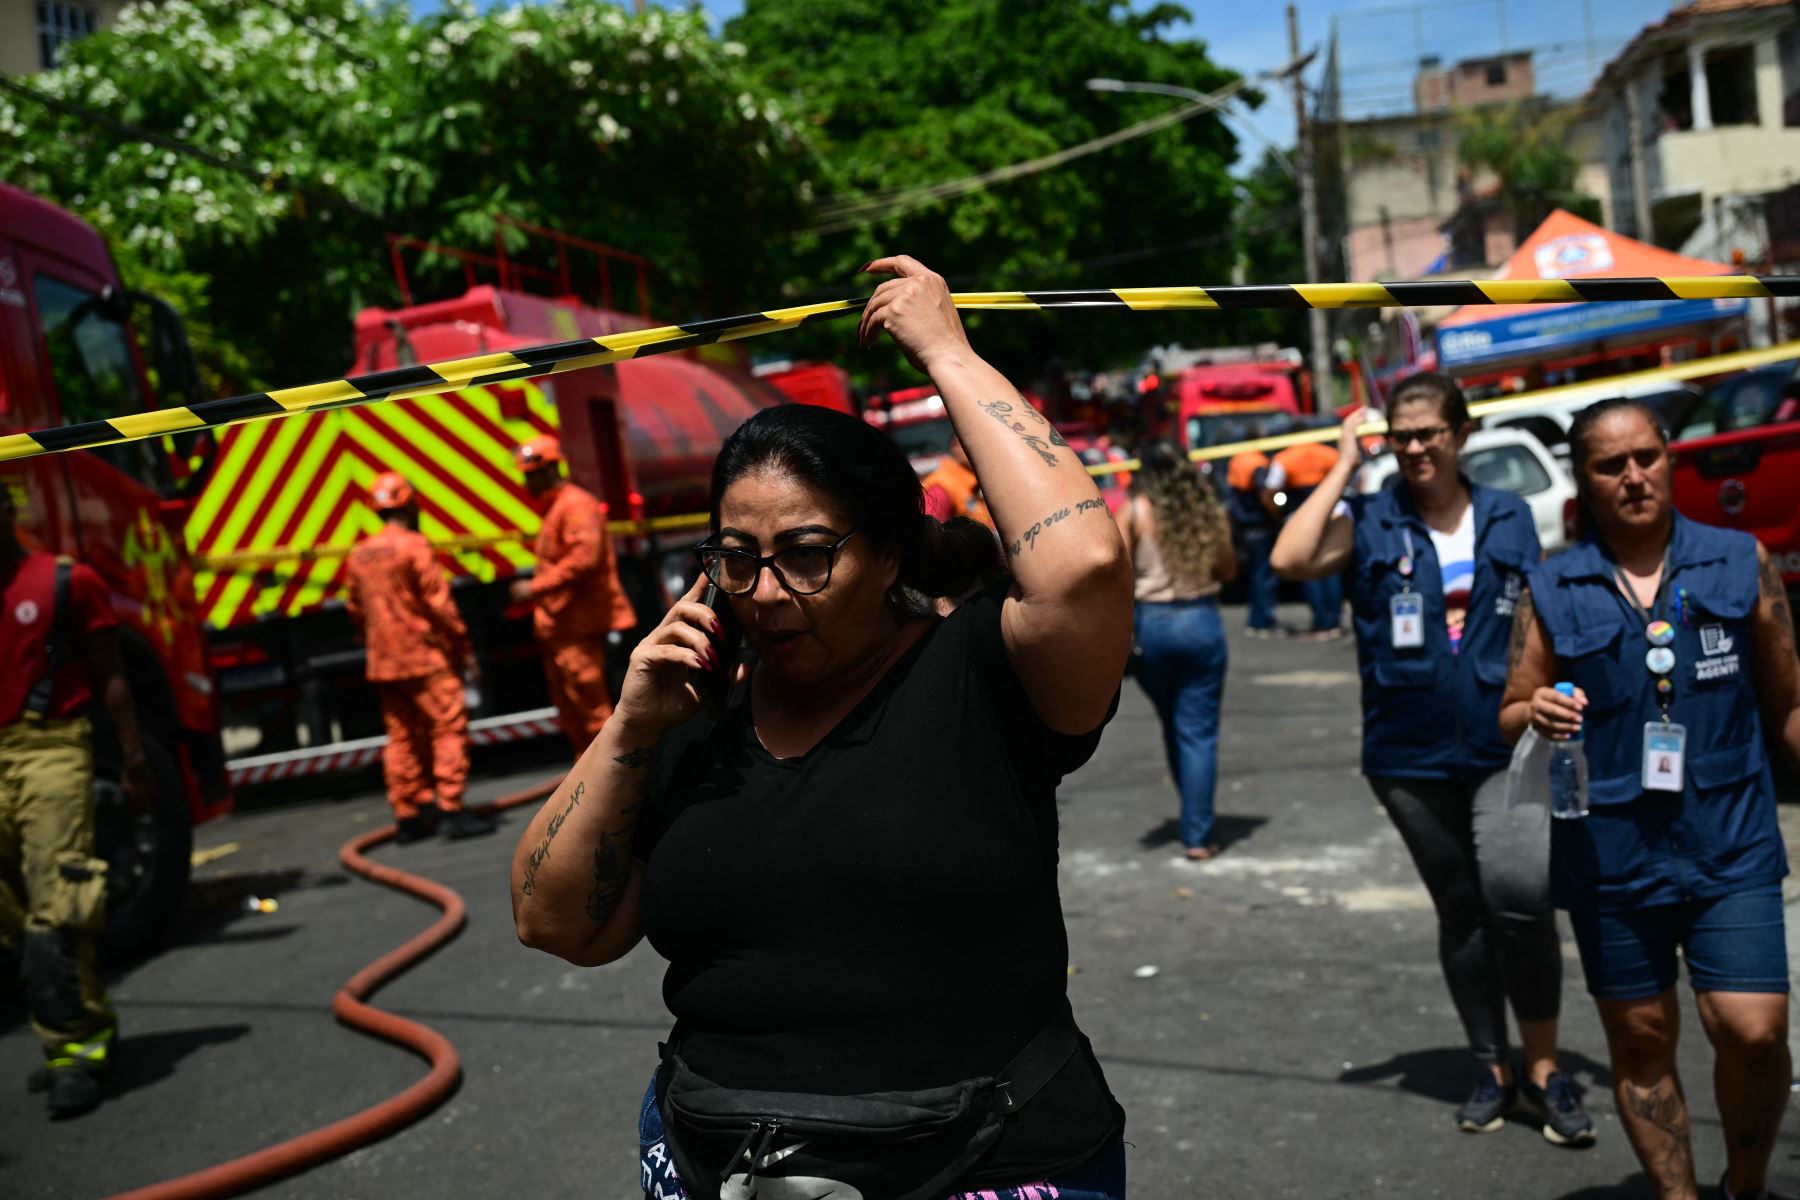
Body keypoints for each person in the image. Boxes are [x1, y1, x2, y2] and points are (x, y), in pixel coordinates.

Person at [510, 256, 1133, 1197]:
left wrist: (945, 350)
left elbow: (1082, 564)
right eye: (736, 558)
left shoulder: (982, 672)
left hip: (982, 1159)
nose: (766, 594)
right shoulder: (689, 713)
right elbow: (553, 922)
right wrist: (632, 724)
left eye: (807, 555)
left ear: (887, 554)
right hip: (719, 1159)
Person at [1270, 373, 1591, 1143]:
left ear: (1461, 433)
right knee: (1461, 911)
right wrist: (1345, 462)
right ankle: (1494, 1068)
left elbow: (1538, 621)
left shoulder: (1509, 515)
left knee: (1517, 897)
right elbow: (1290, 557)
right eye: (1400, 435)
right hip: (1406, 752)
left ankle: (1545, 1069)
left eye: (1428, 433)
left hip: (1503, 741)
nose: (1414, 448)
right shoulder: (1372, 518)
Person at [1501, 397, 1795, 1200]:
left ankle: (1745, 1183)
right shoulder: (1552, 585)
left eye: (1647, 457)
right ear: (1584, 480)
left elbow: (1789, 702)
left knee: (1755, 1029)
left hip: (1729, 837)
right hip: (1610, 853)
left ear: (1669, 457)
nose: (1634, 476)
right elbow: (1509, 709)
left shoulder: (1741, 561)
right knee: (1639, 1039)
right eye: (1610, 465)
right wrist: (1538, 712)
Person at [0, 484, 151, 1118]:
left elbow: (112, 675)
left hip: (51, 748)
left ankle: (76, 1047)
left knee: (55, 908)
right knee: (14, 912)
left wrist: (134, 760)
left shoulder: (66, 583)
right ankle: (78, 1024)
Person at [344, 471, 493, 842]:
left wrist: (373, 640)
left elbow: (355, 609)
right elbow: (440, 605)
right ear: (410, 505)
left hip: (384, 660)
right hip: (424, 657)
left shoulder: (359, 554)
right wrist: (463, 646)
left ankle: (408, 814)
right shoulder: (415, 546)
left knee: (401, 735)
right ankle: (451, 809)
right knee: (447, 728)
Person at [1118, 440, 1236, 860]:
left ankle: (1193, 817)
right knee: (1197, 731)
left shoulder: (1133, 512)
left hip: (1153, 626)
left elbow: (1116, 571)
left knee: (1175, 725)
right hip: (1201, 620)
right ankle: (1198, 833)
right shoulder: (1207, 512)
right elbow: (1229, 569)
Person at [510, 436, 636, 755]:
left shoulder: (575, 505)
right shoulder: (556, 508)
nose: (527, 482)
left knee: (591, 709)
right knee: (573, 711)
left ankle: (609, 779)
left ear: (550, 469)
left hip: (579, 624)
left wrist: (533, 588)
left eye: (530, 474)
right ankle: (587, 778)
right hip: (563, 626)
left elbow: (584, 558)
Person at [1263, 436, 1344, 638]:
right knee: (1331, 567)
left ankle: (1321, 621)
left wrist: (1279, 514)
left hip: (1300, 518)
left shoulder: (1285, 458)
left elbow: (1271, 491)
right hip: (1330, 515)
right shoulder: (1329, 454)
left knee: (1308, 570)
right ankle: (1334, 620)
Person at [1223, 441, 1279, 637]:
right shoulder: (1257, 463)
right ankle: (1264, 621)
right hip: (1259, 526)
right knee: (1264, 576)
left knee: (1255, 575)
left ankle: (1255, 620)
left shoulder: (1237, 460)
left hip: (1243, 527)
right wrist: (1277, 514)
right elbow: (1266, 494)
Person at [920, 436, 994, 528]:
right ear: (954, 446)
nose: (981, 449)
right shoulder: (941, 486)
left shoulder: (979, 481)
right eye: (973, 443)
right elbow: (929, 533)